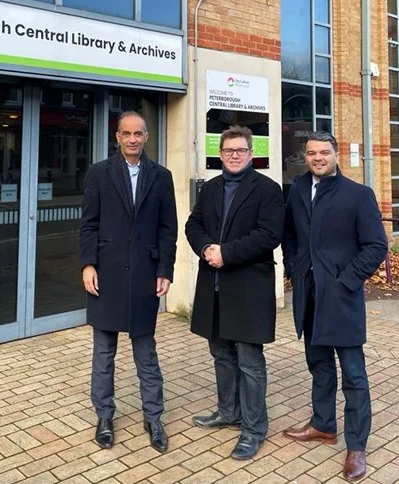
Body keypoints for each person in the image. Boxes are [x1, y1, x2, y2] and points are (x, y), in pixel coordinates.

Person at [282, 131, 387, 482]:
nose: (318, 158)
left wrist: (346, 281)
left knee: (354, 376)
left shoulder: (358, 195)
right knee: (319, 365)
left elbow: (375, 246)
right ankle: (323, 424)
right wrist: (295, 269)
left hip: (341, 298)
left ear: (336, 154)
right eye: (311, 153)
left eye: (324, 152)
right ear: (306, 156)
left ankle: (356, 445)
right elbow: (291, 236)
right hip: (309, 296)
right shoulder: (297, 189)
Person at [80, 111, 178, 453]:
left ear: (147, 136)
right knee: (103, 353)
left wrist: (165, 269)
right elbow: (89, 225)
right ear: (117, 136)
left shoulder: (161, 177)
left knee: (146, 353)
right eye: (126, 133)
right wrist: (88, 264)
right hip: (106, 274)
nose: (133, 139)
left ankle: (154, 418)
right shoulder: (99, 173)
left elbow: (168, 229)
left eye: (138, 133)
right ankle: (104, 416)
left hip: (144, 276)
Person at [185, 125, 284, 460]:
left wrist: (226, 253)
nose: (235, 156)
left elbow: (269, 235)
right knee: (221, 355)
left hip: (247, 288)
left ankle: (254, 429)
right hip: (213, 288)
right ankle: (229, 412)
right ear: (221, 154)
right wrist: (206, 249)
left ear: (251, 154)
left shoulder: (268, 189)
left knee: (249, 361)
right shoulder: (211, 188)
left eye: (241, 150)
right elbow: (192, 225)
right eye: (229, 151)